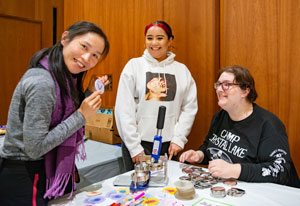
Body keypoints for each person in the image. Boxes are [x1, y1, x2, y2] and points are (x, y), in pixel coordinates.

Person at [0, 21, 110, 205]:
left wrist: (89, 93)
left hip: (41, 170)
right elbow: (35, 148)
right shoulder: (42, 82)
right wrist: (81, 116)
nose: (86, 58)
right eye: (84, 47)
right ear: (65, 39)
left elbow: (64, 114)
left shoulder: (64, 78)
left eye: (94, 55)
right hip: (25, 174)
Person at [179, 65, 300, 188]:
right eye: (218, 84)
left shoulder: (269, 125)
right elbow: (210, 147)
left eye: (226, 84)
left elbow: (281, 169)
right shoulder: (219, 117)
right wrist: (199, 155)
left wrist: (235, 170)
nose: (219, 89)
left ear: (245, 91)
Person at [115, 21, 198, 171]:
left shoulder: (181, 70)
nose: (154, 43)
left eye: (159, 38)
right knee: (138, 191)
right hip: (138, 145)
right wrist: (134, 147)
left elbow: (189, 108)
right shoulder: (134, 66)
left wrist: (179, 139)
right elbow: (124, 109)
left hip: (168, 145)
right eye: (149, 38)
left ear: (170, 40)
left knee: (164, 191)